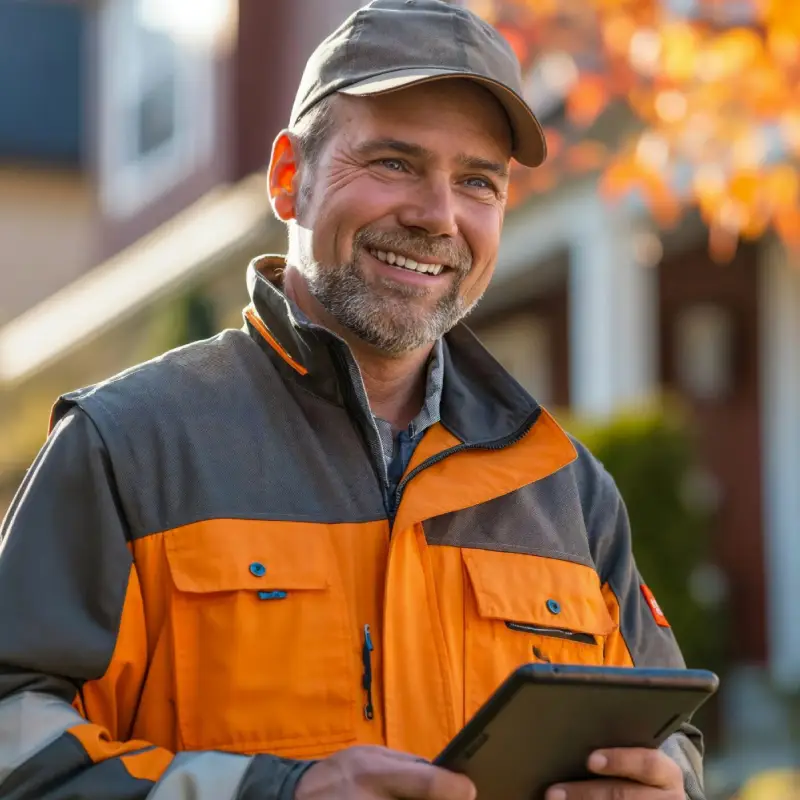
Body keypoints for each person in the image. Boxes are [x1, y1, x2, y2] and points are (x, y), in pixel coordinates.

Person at [0, 1, 706, 798]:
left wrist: (665, 782)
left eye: (478, 181)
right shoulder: (126, 448)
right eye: (395, 163)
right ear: (289, 178)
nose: (438, 216)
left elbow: (667, 730)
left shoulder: (565, 491)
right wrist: (268, 793)